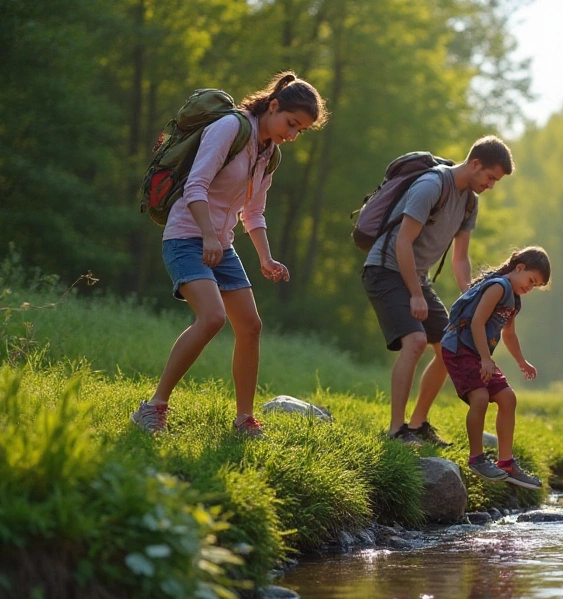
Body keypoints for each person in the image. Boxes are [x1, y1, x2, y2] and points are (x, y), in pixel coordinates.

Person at [131, 71, 328, 437]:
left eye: (300, 130)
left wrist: (266, 259)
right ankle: (152, 407)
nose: (292, 134)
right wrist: (207, 234)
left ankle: (244, 420)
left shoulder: (269, 153)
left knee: (251, 326)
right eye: (291, 123)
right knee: (211, 318)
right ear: (273, 106)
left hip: (220, 243)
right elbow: (196, 185)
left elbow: (253, 213)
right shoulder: (229, 128)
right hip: (186, 235)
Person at [362, 136, 514, 446]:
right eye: (490, 177)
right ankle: (396, 430)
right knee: (415, 341)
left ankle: (418, 425)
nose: (491, 185)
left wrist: (470, 296)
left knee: (450, 347)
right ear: (475, 164)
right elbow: (402, 242)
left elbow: (460, 258)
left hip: (417, 276)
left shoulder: (470, 201)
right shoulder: (432, 186)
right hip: (384, 270)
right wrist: (415, 294)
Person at [440, 246, 550, 489]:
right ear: (519, 267)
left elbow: (508, 333)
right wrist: (485, 359)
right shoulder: (498, 286)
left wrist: (522, 361)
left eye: (535, 286)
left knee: (508, 399)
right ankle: (477, 458)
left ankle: (506, 463)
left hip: (478, 352)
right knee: (479, 397)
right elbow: (477, 322)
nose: (530, 287)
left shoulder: (514, 300)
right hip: (460, 347)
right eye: (531, 280)